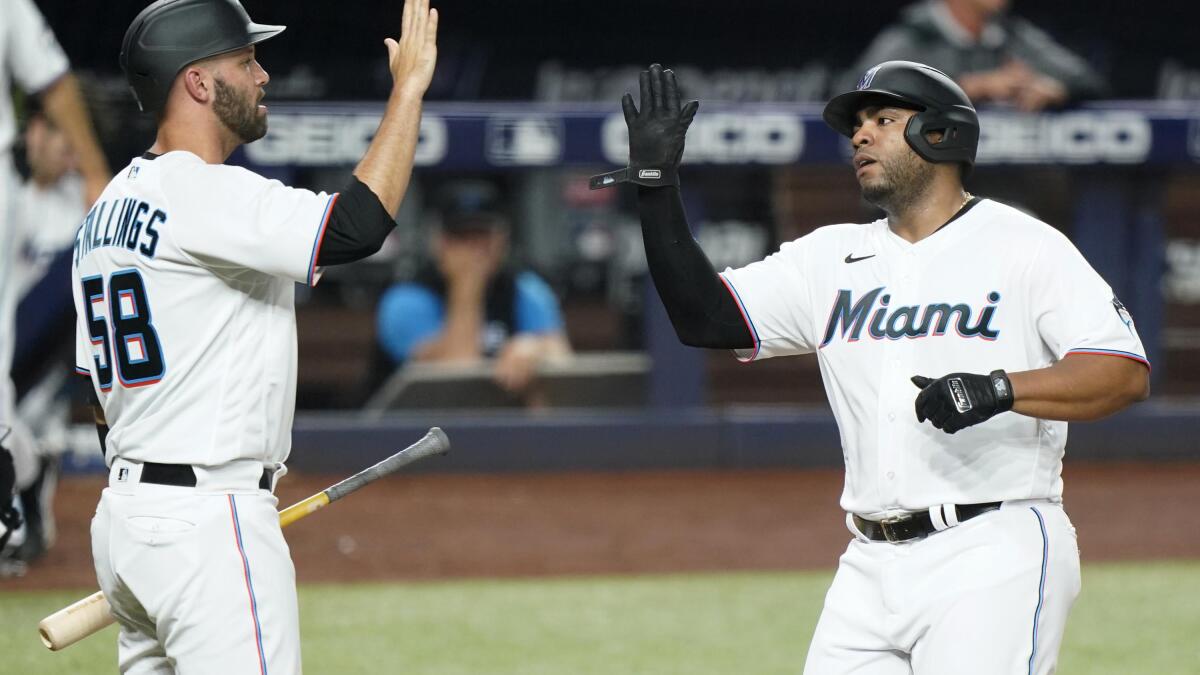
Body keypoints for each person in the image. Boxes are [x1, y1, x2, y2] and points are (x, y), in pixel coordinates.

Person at [593, 61, 1149, 674]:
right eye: (856, 125)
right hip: (868, 563)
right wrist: (655, 185)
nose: (860, 136)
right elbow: (704, 318)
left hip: (994, 546)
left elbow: (1121, 370)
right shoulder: (830, 256)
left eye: (883, 120)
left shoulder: (1023, 245)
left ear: (941, 136)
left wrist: (1000, 389)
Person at [73, 0, 437, 670]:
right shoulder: (206, 194)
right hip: (208, 525)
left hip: (126, 519)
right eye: (245, 61)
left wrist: (151, 498)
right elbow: (357, 226)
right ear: (199, 84)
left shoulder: (107, 210)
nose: (264, 75)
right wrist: (409, 89)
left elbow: (91, 387)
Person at [0, 0, 110, 573]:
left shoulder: (76, 209)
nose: (65, 152)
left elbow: (52, 77)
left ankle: (17, 487)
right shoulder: (21, 198)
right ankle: (27, 469)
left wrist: (96, 177)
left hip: (38, 355)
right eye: (58, 137)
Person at [376, 180, 570, 399]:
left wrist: (535, 349)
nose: (473, 250)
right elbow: (454, 378)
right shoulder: (407, 299)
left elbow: (563, 370)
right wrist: (467, 287)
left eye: (482, 236)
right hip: (411, 427)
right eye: (461, 237)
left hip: (499, 424)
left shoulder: (524, 289)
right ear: (439, 242)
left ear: (502, 239)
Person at [843, 0, 1107, 111]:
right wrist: (967, 87)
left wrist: (1056, 89)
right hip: (921, 190)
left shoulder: (1012, 36)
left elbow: (1088, 79)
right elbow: (857, 91)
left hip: (1002, 185)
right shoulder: (914, 36)